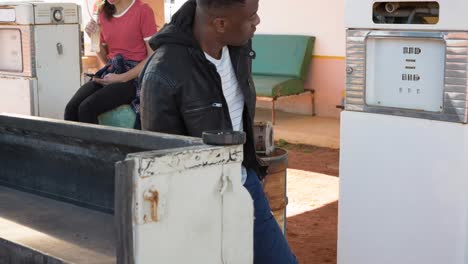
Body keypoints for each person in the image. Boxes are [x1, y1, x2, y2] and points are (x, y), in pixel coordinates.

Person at [139, 0, 298, 263]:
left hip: (245, 184)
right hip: (198, 205)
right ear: (220, 24)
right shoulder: (162, 74)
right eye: (252, 16)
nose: (257, 22)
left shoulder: (238, 47)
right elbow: (160, 161)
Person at [64, 0, 157, 127]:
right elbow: (106, 60)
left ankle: (95, 147)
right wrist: (93, 37)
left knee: (87, 108)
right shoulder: (102, 13)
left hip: (134, 77)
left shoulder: (143, 10)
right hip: (111, 70)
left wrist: (121, 78)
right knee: (71, 109)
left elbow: (152, 57)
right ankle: (73, 147)